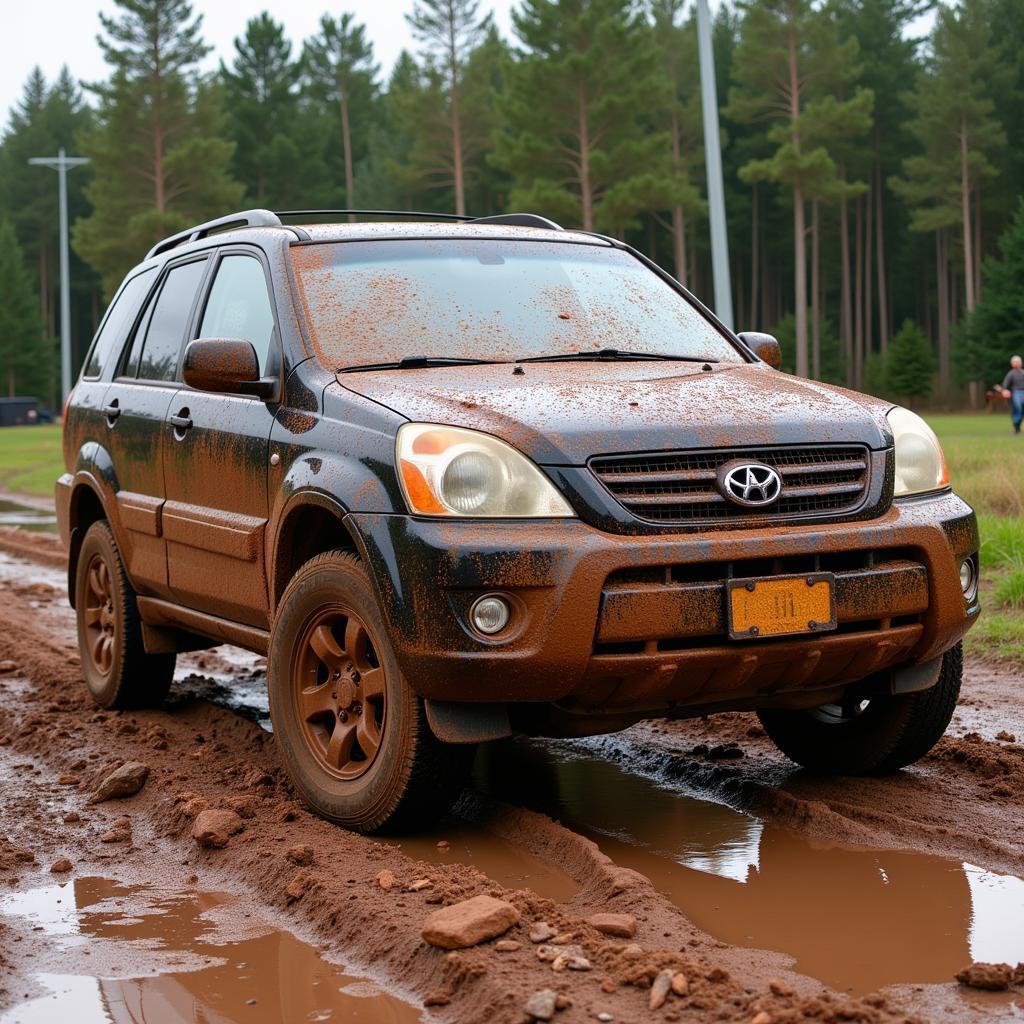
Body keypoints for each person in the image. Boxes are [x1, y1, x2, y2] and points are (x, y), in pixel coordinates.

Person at [1002, 355, 1024, 434]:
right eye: (1014, 362)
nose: (1016, 363)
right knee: (1018, 408)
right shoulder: (1011, 373)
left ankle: (1017, 426)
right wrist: (1004, 389)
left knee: (1022, 410)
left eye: (1017, 362)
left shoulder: (1022, 373)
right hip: (1016, 392)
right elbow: (1005, 383)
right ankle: (1016, 426)